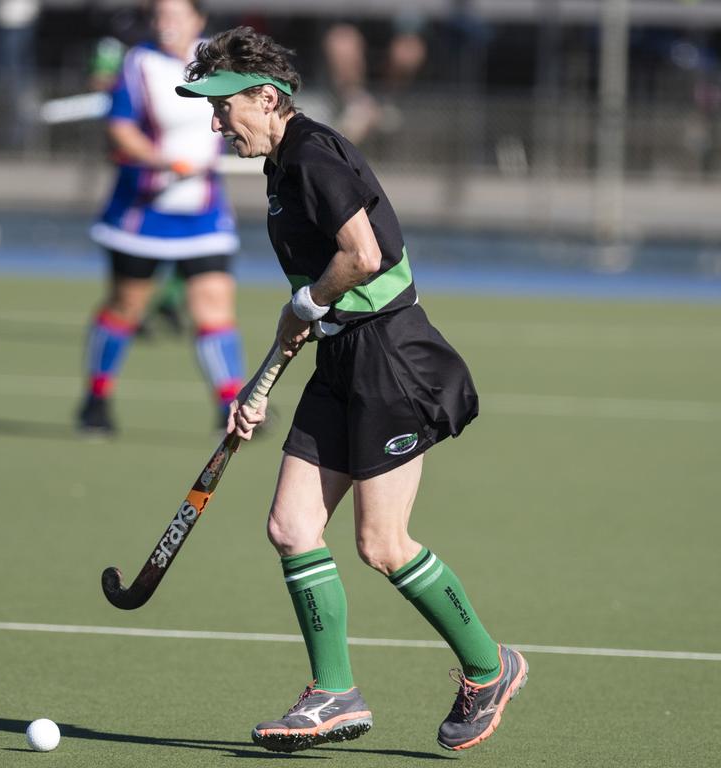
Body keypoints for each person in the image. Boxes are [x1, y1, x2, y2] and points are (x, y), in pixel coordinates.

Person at [176, 27, 527, 754]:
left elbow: (361, 257)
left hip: (392, 360)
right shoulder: (279, 166)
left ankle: (490, 667)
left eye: (221, 107)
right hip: (340, 361)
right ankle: (334, 693)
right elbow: (309, 304)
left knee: (383, 543)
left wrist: (306, 307)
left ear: (266, 99)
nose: (215, 123)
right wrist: (261, 381)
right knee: (291, 527)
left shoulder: (311, 154)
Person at [77, 0, 245, 434]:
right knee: (126, 306)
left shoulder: (221, 59)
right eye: (159, 16)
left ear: (199, 19)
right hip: (142, 212)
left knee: (213, 306)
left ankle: (230, 406)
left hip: (203, 211)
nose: (165, 24)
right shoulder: (139, 63)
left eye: (176, 15)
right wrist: (160, 160)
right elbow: (120, 127)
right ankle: (96, 399)